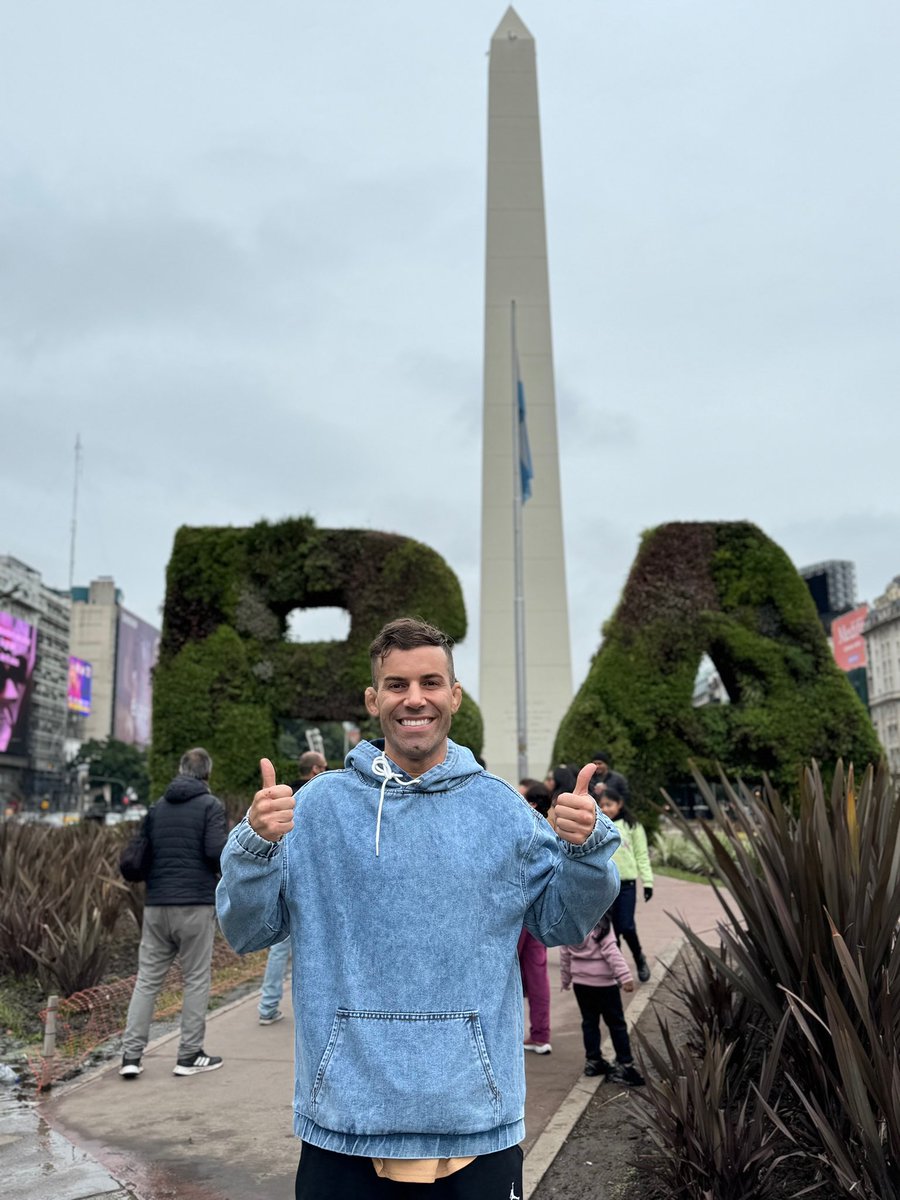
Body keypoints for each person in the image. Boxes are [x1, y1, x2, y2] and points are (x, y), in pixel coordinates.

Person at [217, 617, 621, 1199]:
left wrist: (586, 854)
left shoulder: (502, 811)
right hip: (343, 1124)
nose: (415, 699)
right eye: (397, 684)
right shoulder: (317, 807)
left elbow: (561, 922)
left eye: (431, 682)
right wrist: (253, 844)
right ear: (373, 698)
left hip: (473, 1123)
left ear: (454, 696)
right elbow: (248, 930)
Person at [119, 747, 227, 1078]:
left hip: (155, 906)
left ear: (181, 770)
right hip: (194, 904)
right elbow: (214, 853)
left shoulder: (157, 808)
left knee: (147, 981)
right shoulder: (211, 806)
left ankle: (130, 1058)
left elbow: (143, 855)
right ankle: (189, 1055)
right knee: (195, 979)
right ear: (206, 774)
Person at [258, 749, 328, 1025]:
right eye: (323, 766)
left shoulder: (283, 799)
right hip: (313, 887)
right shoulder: (323, 799)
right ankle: (314, 1011)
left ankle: (267, 1005)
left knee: (279, 951)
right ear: (315, 770)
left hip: (284, 883)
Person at [560, 913, 645, 1086]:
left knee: (589, 1022)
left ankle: (593, 1061)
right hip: (605, 985)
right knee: (616, 1024)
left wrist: (566, 979)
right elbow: (612, 951)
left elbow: (565, 955)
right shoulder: (602, 922)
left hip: (581, 984)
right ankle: (625, 1064)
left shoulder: (569, 924)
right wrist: (625, 977)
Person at [596, 786, 653, 983]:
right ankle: (618, 971)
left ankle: (639, 958)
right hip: (605, 885)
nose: (605, 809)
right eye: (602, 805)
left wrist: (648, 882)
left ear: (619, 803)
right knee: (610, 929)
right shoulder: (599, 824)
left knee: (626, 926)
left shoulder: (632, 826)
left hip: (627, 884)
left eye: (609, 804)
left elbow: (641, 854)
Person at [517, 780, 554, 1054]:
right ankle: (541, 1034)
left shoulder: (523, 825)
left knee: (505, 973)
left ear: (531, 802)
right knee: (537, 974)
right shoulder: (550, 828)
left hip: (517, 911)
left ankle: (506, 1037)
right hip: (539, 909)